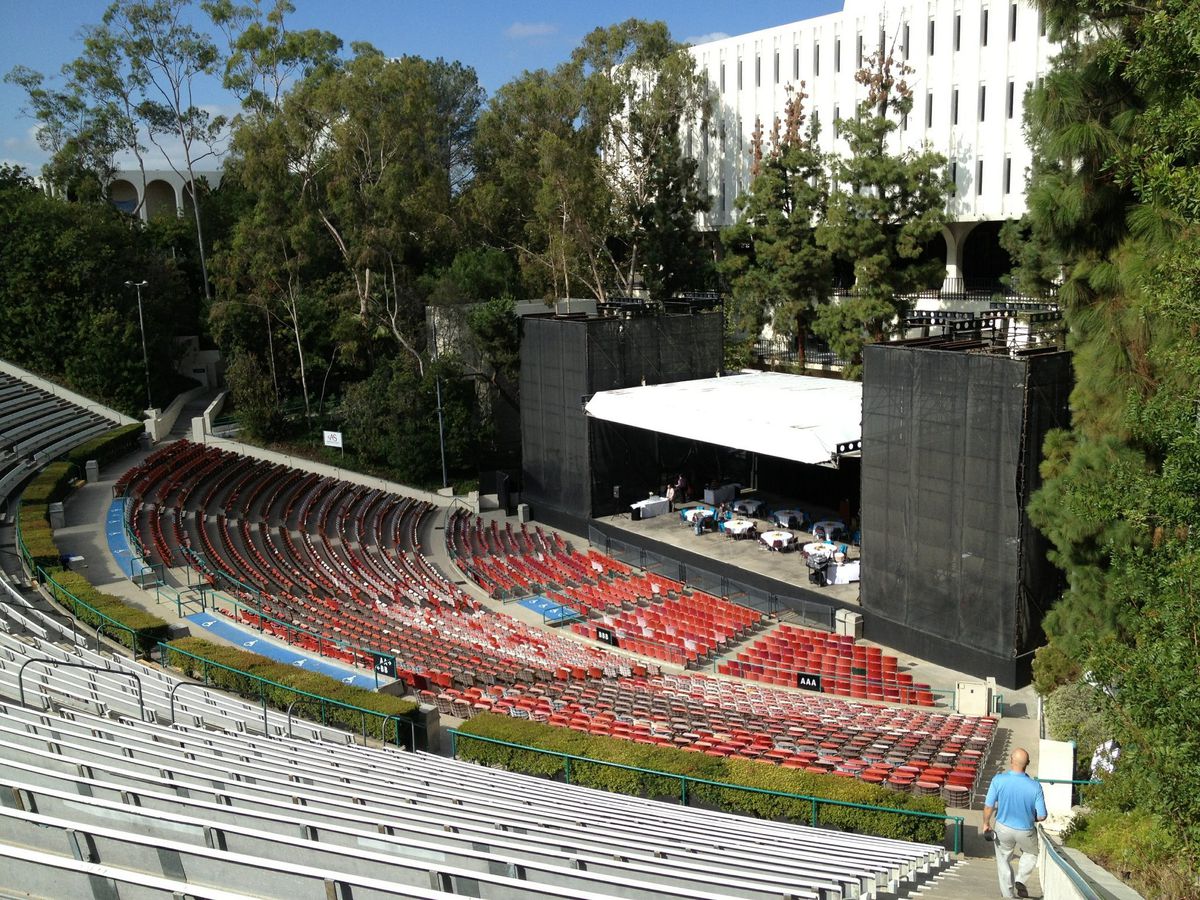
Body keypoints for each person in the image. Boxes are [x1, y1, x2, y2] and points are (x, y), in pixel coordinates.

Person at [983, 748, 1047, 899]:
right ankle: (1021, 879)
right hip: (1025, 829)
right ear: (1028, 764)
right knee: (1031, 853)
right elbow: (1042, 815)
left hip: (1002, 827)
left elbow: (988, 806)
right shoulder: (1035, 786)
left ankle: (1008, 895)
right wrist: (1032, 817)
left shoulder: (998, 780)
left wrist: (986, 824)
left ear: (1011, 761)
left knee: (1003, 860)